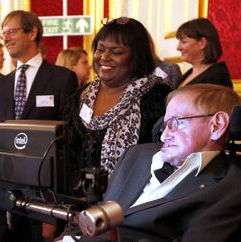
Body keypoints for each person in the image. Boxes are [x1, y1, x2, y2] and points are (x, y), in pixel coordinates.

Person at [100, 84, 241, 241]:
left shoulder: (230, 189)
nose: (163, 136)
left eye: (176, 122)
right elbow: (98, 213)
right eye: (164, 125)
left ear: (217, 125)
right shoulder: (135, 155)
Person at [0, 10, 78, 242]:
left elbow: (69, 136)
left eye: (11, 31)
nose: (6, 38)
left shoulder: (62, 78)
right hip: (7, 187)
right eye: (4, 34)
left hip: (45, 189)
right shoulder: (2, 84)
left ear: (33, 32)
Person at [64, 17, 171, 195]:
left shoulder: (158, 97)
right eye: (100, 49)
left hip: (131, 207)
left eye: (117, 51)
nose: (104, 57)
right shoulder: (77, 98)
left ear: (137, 56)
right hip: (75, 206)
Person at [176, 18, 232, 88]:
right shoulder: (187, 75)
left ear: (202, 43)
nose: (178, 48)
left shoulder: (217, 78)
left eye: (184, 42)